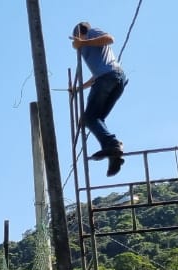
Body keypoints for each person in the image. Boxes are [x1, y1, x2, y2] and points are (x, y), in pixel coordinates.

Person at [71, 21, 129, 177]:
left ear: (79, 33)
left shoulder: (91, 34)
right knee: (96, 119)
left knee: (89, 118)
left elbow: (110, 39)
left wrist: (83, 41)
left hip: (109, 76)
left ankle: (113, 145)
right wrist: (79, 88)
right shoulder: (87, 48)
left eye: (75, 37)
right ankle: (114, 155)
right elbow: (97, 75)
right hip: (114, 78)